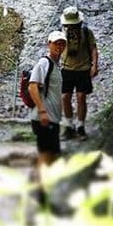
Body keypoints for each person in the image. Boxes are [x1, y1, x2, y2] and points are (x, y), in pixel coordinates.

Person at [29, 30, 67, 175]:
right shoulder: (44, 63)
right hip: (44, 118)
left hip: (52, 118)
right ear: (49, 44)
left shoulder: (56, 65)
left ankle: (43, 188)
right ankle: (40, 192)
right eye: (56, 43)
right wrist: (42, 111)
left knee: (52, 156)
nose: (60, 46)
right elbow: (32, 86)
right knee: (45, 156)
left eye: (62, 43)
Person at [59, 6, 99, 140]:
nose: (70, 27)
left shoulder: (87, 32)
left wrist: (94, 65)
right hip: (66, 69)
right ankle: (68, 126)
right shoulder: (60, 34)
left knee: (81, 97)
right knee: (65, 97)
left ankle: (80, 127)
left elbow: (93, 49)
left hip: (83, 69)